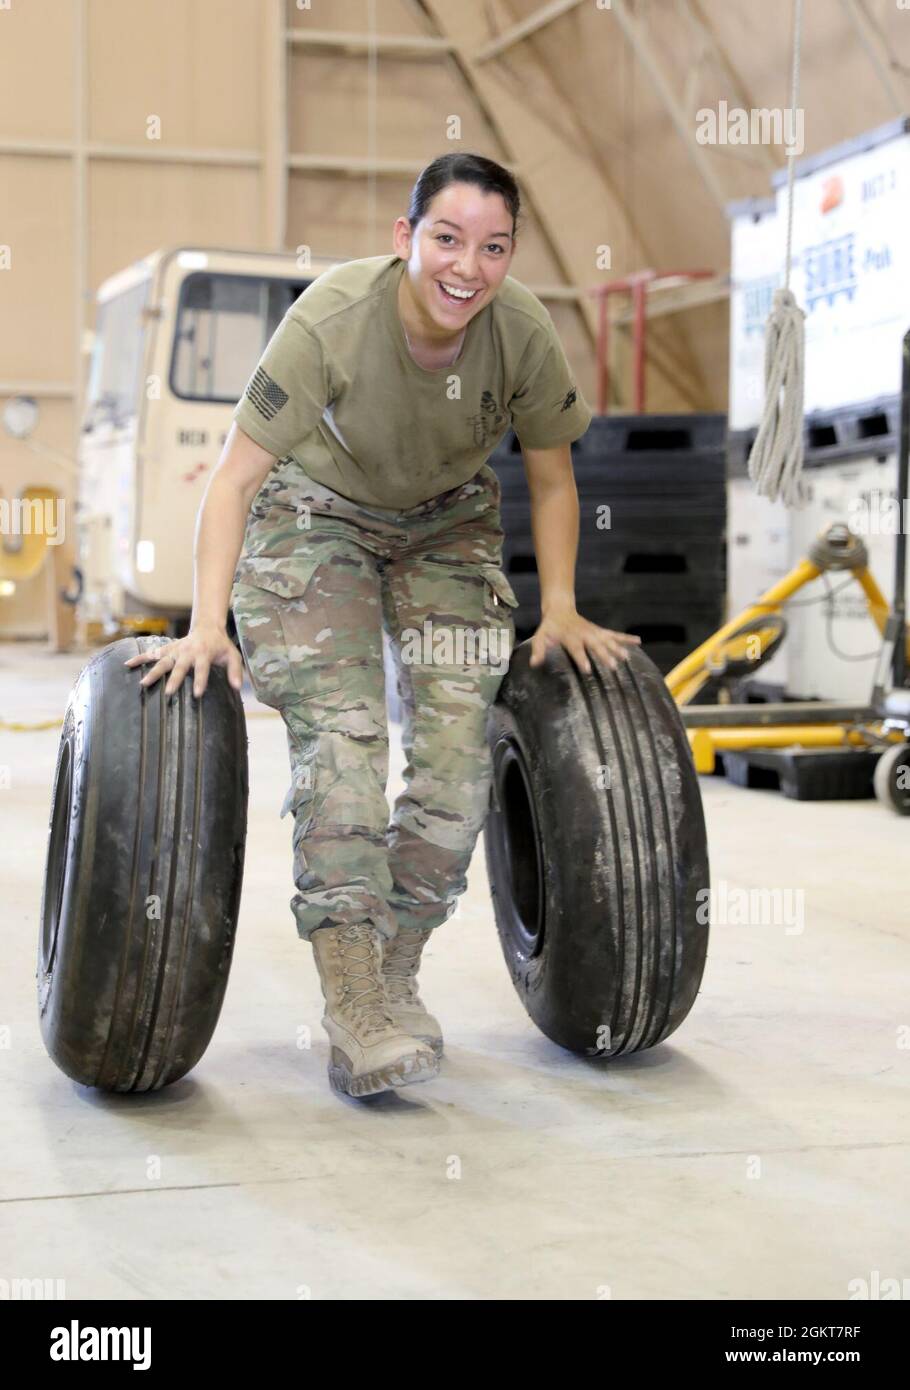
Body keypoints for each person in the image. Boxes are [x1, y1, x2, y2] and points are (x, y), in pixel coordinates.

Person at [124, 152, 640, 1100]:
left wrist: (560, 606)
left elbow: (555, 475)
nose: (467, 268)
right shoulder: (332, 318)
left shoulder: (521, 331)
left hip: (446, 521)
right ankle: (353, 996)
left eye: (492, 247)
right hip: (316, 514)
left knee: (456, 762)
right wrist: (205, 626)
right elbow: (234, 478)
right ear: (406, 239)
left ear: (510, 253)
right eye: (447, 239)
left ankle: (396, 962)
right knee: (348, 737)